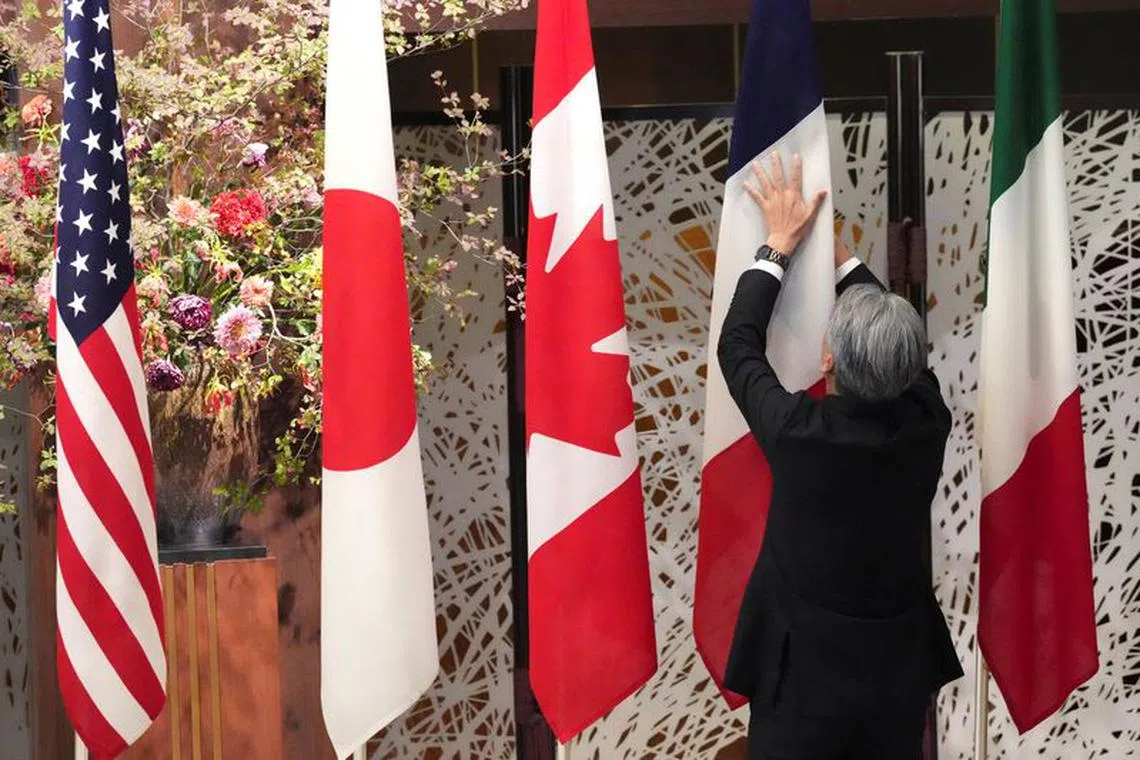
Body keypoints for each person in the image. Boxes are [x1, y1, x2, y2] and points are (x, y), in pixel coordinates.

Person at [717, 153, 963, 760]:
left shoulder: (801, 434)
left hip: (799, 688)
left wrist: (778, 245)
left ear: (828, 361)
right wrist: (842, 258)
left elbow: (737, 345)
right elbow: (903, 353)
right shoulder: (928, 421)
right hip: (895, 682)